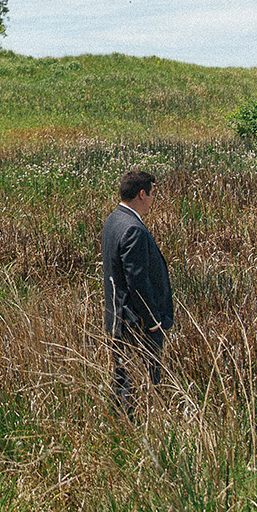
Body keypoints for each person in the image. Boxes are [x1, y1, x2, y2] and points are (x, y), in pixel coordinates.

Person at [101, 169, 173, 415]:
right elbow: (138, 282)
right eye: (152, 194)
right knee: (138, 385)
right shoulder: (133, 229)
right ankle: (133, 431)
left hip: (118, 318)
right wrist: (153, 322)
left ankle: (117, 426)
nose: (153, 200)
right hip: (136, 324)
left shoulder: (113, 220)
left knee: (122, 379)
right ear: (142, 194)